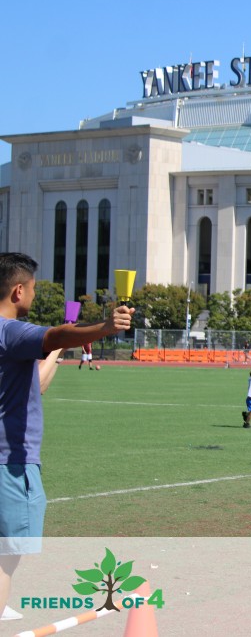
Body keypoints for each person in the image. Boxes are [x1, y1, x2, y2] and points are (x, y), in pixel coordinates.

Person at [0, 253, 132, 624]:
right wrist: (105, 326)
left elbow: (38, 383)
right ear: (18, 291)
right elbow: (54, 334)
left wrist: (55, 349)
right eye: (32, 289)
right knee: (6, 558)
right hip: (10, 464)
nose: (33, 295)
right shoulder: (11, 331)